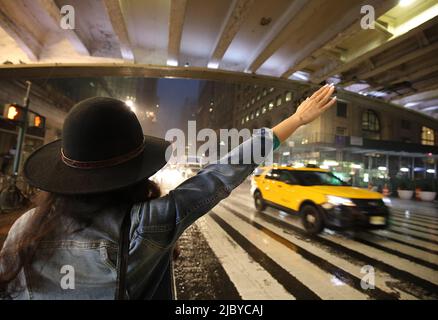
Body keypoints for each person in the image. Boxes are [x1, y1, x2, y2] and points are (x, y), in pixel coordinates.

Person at [0, 84, 336, 300]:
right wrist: (295, 120)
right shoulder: (145, 225)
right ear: (136, 171)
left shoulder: (24, 228)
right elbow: (219, 176)